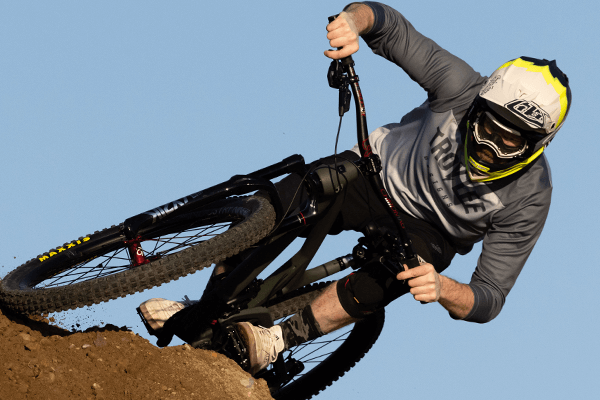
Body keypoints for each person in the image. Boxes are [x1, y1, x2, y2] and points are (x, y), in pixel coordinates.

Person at [139, 1, 571, 376]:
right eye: (488, 127)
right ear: (478, 105)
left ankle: (278, 340)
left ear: (537, 145)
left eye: (510, 140)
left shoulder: (531, 195)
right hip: (376, 173)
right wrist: (351, 21)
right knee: (284, 200)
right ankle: (206, 305)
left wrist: (443, 289)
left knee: (394, 276)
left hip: (430, 234)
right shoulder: (459, 85)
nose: (490, 146)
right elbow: (389, 25)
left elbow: (489, 297)